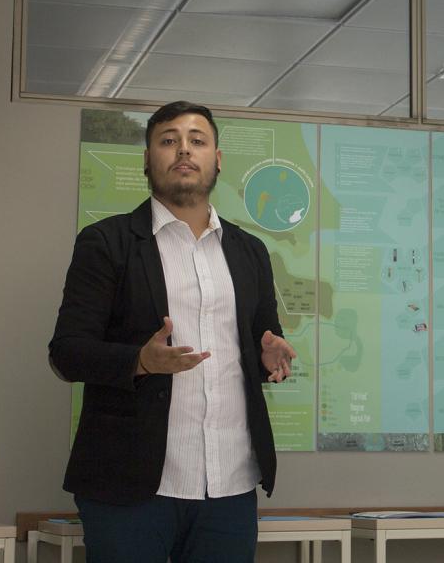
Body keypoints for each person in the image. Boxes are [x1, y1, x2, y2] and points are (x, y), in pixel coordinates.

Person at [49, 100, 296, 562]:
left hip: (229, 487)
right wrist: (139, 361)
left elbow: (263, 344)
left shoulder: (250, 252)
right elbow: (66, 352)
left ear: (217, 159)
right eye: (168, 140)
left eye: (197, 141)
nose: (184, 150)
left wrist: (268, 358)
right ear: (147, 159)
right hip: (129, 488)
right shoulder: (107, 243)